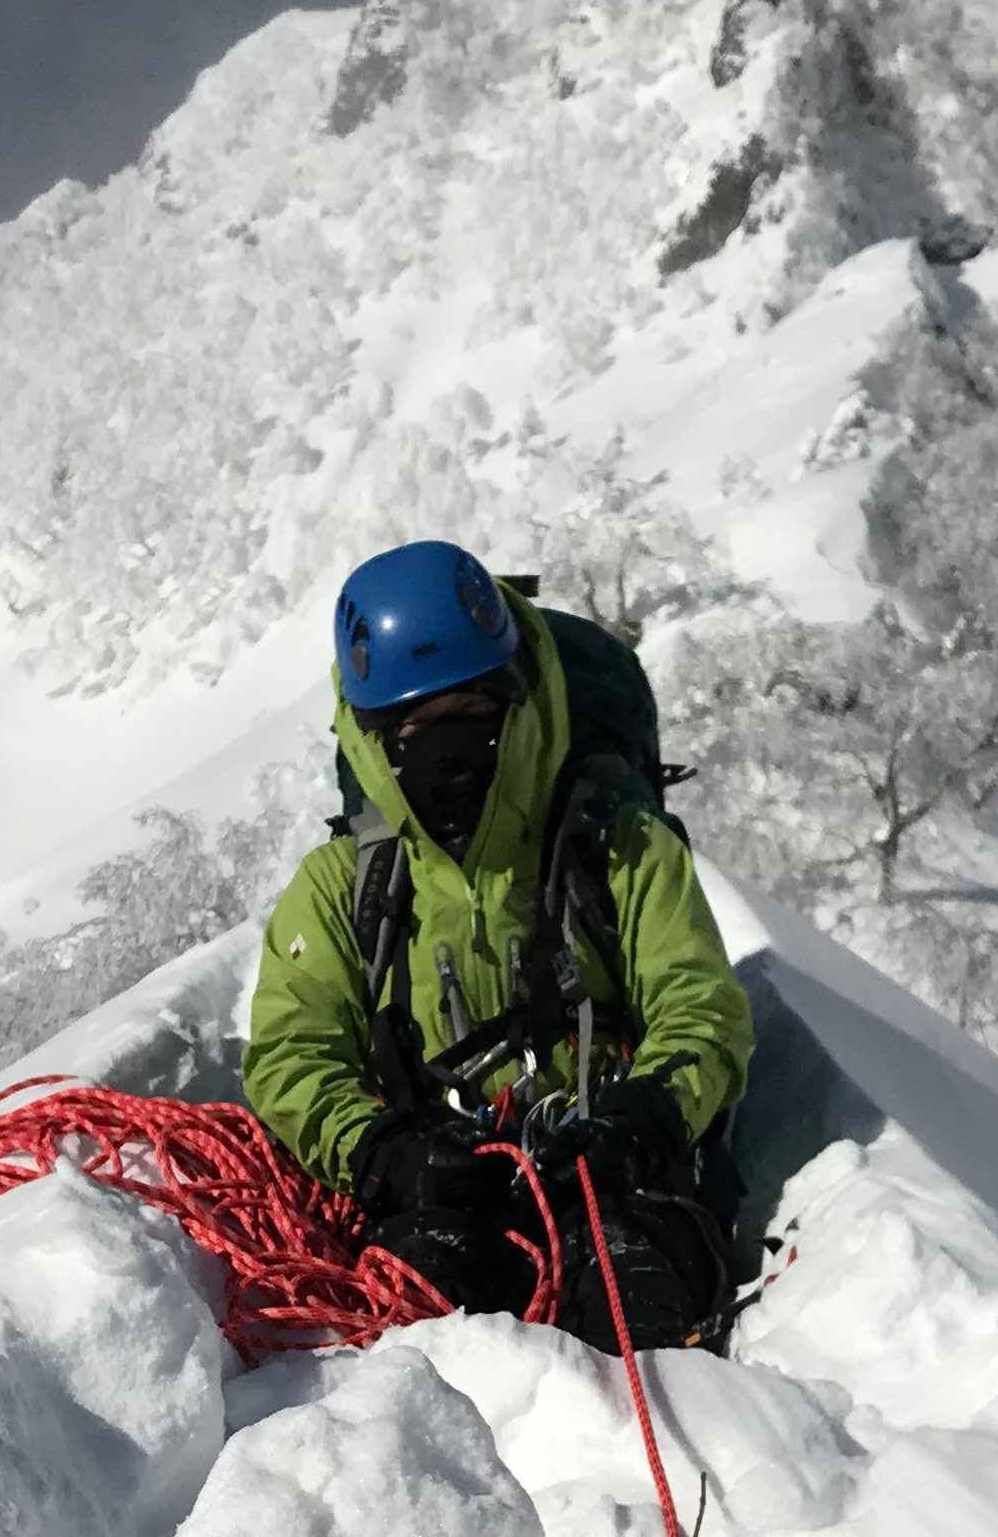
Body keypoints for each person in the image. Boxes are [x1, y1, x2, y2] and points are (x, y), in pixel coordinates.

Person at [246, 541, 754, 1350]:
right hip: (438, 1202)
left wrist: (649, 1114)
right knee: (424, 1341)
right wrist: (383, 1151)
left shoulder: (622, 849)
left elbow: (699, 1007)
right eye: (417, 731)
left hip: (614, 1187)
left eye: (473, 720)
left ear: (518, 706)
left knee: (640, 1320)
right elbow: (292, 1055)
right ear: (374, 739)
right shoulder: (343, 888)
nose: (449, 754)